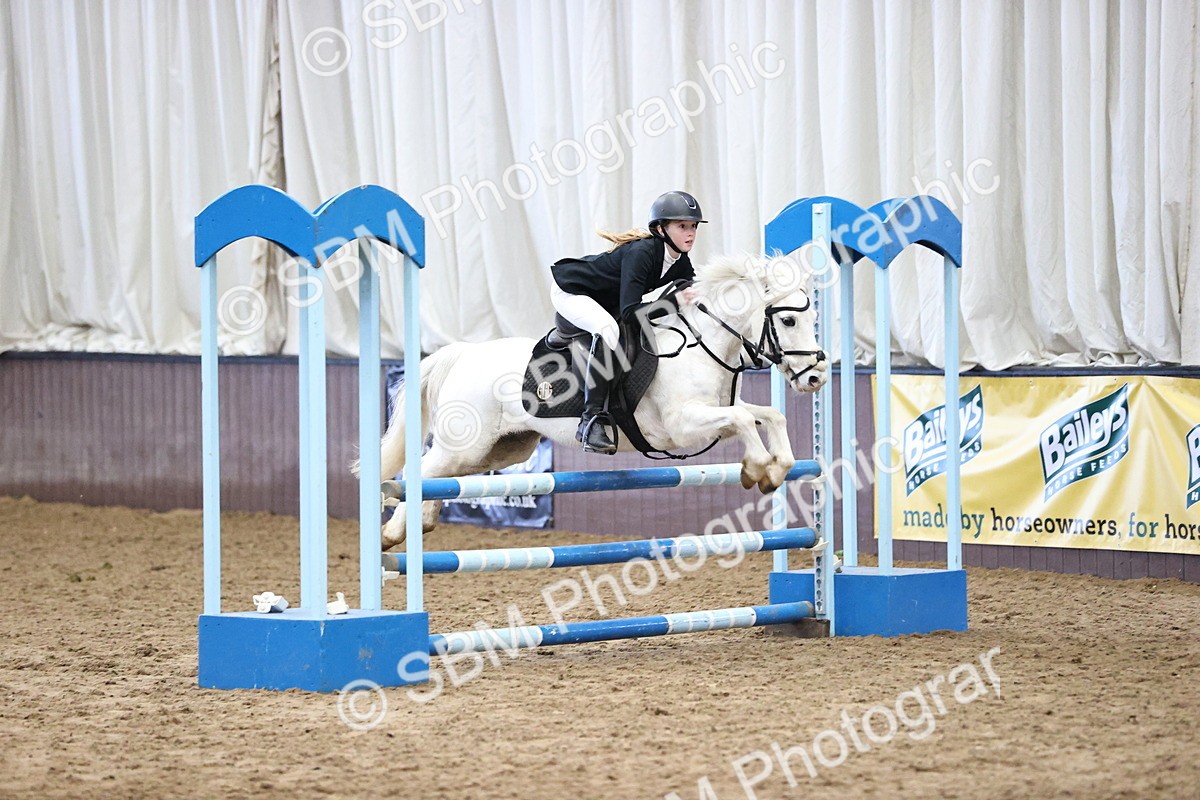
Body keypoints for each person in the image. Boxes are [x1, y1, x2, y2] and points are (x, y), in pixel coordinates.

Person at [550, 190, 706, 454]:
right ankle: (590, 422)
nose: (690, 233)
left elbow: (695, 288)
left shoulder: (679, 259)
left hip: (604, 299)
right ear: (661, 229)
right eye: (682, 226)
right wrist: (674, 302)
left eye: (693, 226)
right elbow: (631, 312)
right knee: (608, 330)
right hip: (572, 290)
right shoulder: (642, 253)